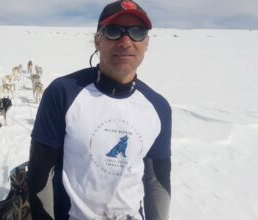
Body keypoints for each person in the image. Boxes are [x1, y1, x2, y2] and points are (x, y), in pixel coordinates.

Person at [27, 0, 171, 219]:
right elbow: (40, 173)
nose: (126, 41)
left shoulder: (158, 107)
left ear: (146, 43)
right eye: (114, 31)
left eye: (137, 32)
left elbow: (157, 182)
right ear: (98, 41)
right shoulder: (63, 93)